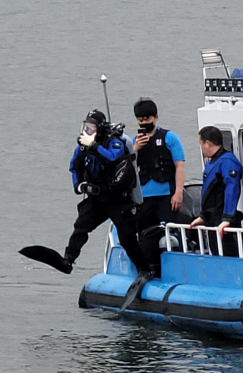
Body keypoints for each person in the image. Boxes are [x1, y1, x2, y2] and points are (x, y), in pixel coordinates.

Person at [23, 109, 151, 278]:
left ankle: (144, 269)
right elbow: (74, 166)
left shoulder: (114, 142)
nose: (87, 131)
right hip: (97, 198)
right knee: (81, 226)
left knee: (126, 238)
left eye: (91, 127)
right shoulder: (82, 148)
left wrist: (94, 146)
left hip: (118, 198)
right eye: (86, 127)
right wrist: (78, 185)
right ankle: (68, 259)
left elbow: (112, 157)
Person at [189, 126, 243, 257]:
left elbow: (232, 188)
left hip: (222, 220)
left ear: (207, 143)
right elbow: (209, 191)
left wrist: (227, 218)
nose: (201, 148)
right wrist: (203, 216)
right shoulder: (211, 162)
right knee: (216, 253)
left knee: (228, 254)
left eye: (201, 144)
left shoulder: (227, 161)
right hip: (212, 219)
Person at [132, 98, 186, 232]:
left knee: (169, 233)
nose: (144, 122)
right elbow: (128, 168)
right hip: (143, 197)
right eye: (140, 120)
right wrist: (135, 148)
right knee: (145, 233)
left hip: (166, 195)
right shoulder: (133, 141)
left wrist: (178, 192)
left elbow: (179, 165)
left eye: (147, 118)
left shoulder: (170, 137)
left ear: (155, 117)